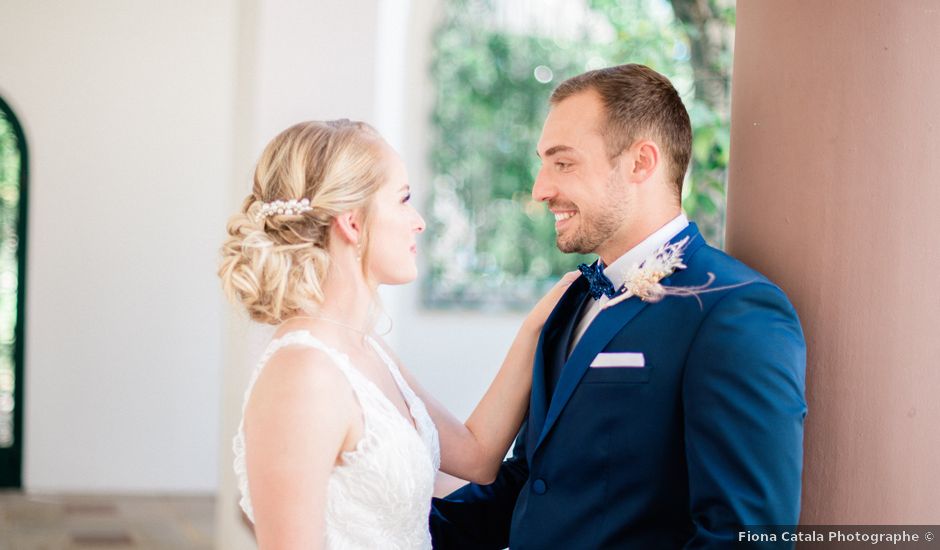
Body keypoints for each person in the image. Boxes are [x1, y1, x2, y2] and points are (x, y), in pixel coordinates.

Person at [430, 64, 807, 549]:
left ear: (640, 163)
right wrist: (388, 524)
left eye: (563, 163)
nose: (540, 189)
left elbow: (746, 536)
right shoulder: (571, 301)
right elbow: (537, 482)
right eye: (543, 164)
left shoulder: (734, 311)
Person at [218, 120, 575, 549]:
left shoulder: (366, 350)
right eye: (403, 199)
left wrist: (536, 326)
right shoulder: (303, 375)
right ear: (352, 223)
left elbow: (478, 457)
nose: (419, 222)